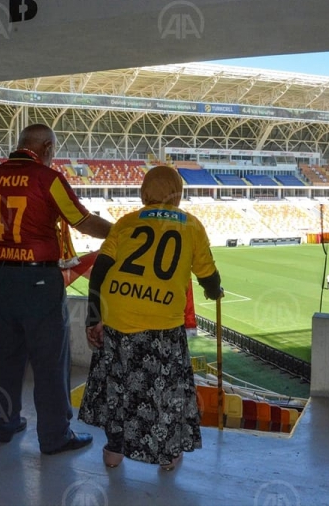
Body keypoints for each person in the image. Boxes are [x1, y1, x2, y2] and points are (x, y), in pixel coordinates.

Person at [0, 123, 112, 453]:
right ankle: (55, 435)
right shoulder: (47, 179)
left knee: (4, 355)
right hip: (38, 281)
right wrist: (123, 231)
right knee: (50, 359)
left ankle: (4, 426)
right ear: (47, 148)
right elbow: (84, 221)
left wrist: (8, 249)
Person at [78, 165, 223, 471]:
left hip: (117, 317)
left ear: (143, 194)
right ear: (179, 196)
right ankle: (168, 455)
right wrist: (214, 291)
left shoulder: (126, 222)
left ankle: (114, 451)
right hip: (162, 326)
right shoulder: (192, 226)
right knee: (164, 394)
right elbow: (208, 275)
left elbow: (99, 273)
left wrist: (94, 318)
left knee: (117, 386)